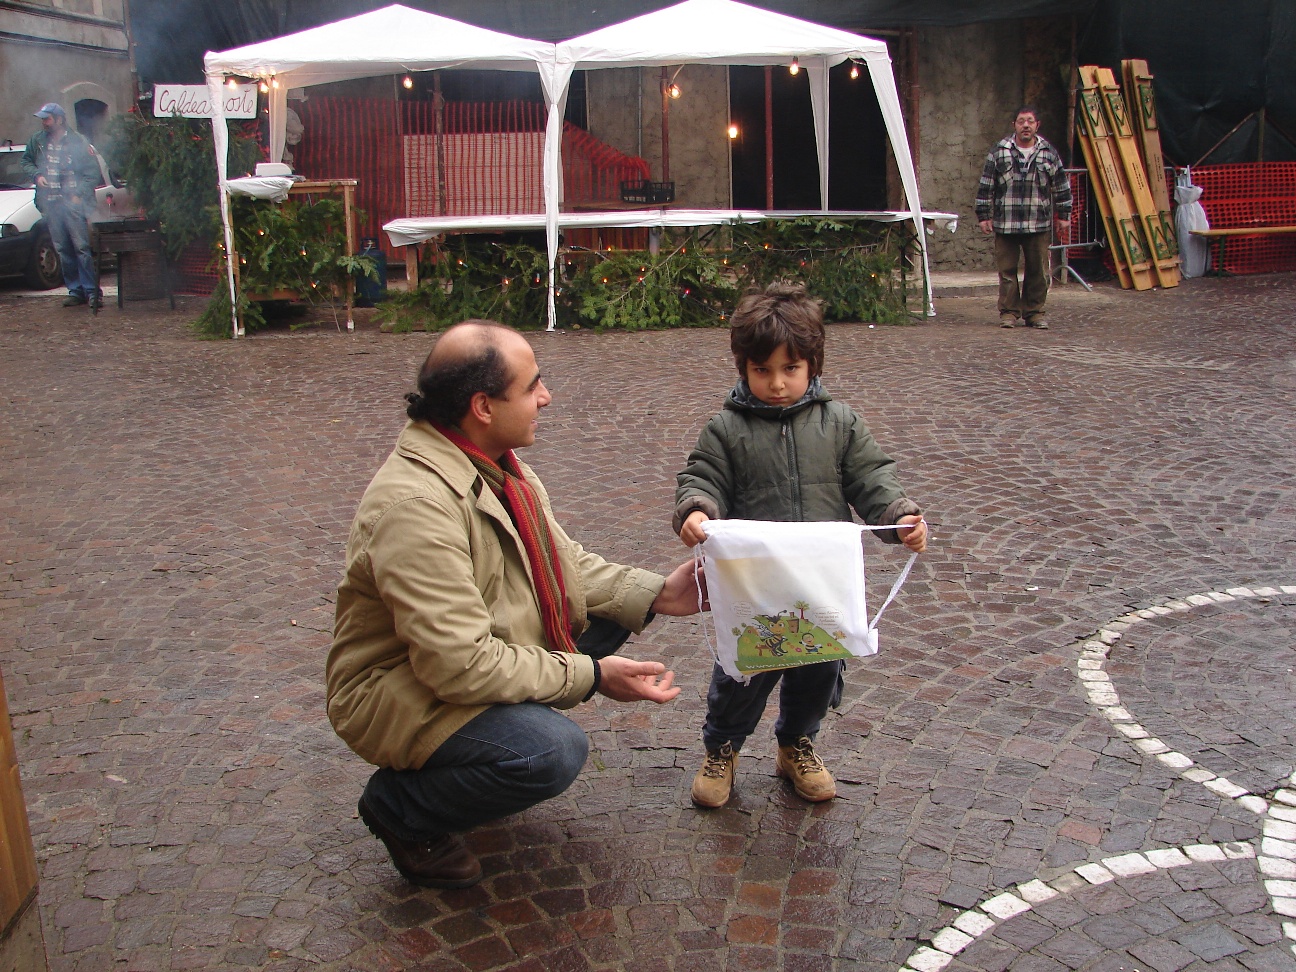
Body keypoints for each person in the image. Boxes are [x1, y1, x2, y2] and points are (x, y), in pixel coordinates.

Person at [328, 320, 704, 889]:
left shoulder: (494, 463)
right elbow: (459, 665)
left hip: (457, 658)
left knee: (611, 612)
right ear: (483, 406)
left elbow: (562, 563)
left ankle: (490, 742)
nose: (545, 397)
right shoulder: (416, 507)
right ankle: (401, 809)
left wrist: (661, 594)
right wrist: (592, 675)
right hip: (395, 688)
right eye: (531, 386)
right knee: (550, 752)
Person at [673, 282, 928, 809]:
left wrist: (899, 518)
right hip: (754, 584)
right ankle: (722, 748)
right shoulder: (726, 429)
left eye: (790, 368)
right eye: (762, 369)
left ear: (813, 364)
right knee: (744, 672)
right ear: (743, 367)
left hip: (821, 584)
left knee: (818, 669)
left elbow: (872, 479)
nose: (777, 383)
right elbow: (703, 478)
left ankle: (796, 744)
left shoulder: (840, 423)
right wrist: (697, 510)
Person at [975, 105, 1072, 330]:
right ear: (1014, 125)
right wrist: (983, 215)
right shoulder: (1000, 151)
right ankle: (1008, 312)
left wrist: (1064, 215)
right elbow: (986, 185)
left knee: (1038, 272)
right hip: (1006, 222)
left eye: (1030, 121)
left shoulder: (1048, 152)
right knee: (1007, 272)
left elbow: (1061, 186)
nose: (1025, 125)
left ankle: (1034, 312)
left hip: (1038, 222)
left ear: (1037, 125)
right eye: (1021, 121)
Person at [21, 103, 103, 309]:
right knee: (63, 249)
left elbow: (92, 173)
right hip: (52, 204)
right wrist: (37, 175)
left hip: (73, 204)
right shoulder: (37, 141)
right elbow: (26, 161)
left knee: (81, 248)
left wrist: (78, 195)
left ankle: (92, 292)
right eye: (42, 119)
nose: (44, 122)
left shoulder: (78, 141)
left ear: (59, 119)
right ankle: (75, 291)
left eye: (47, 118)